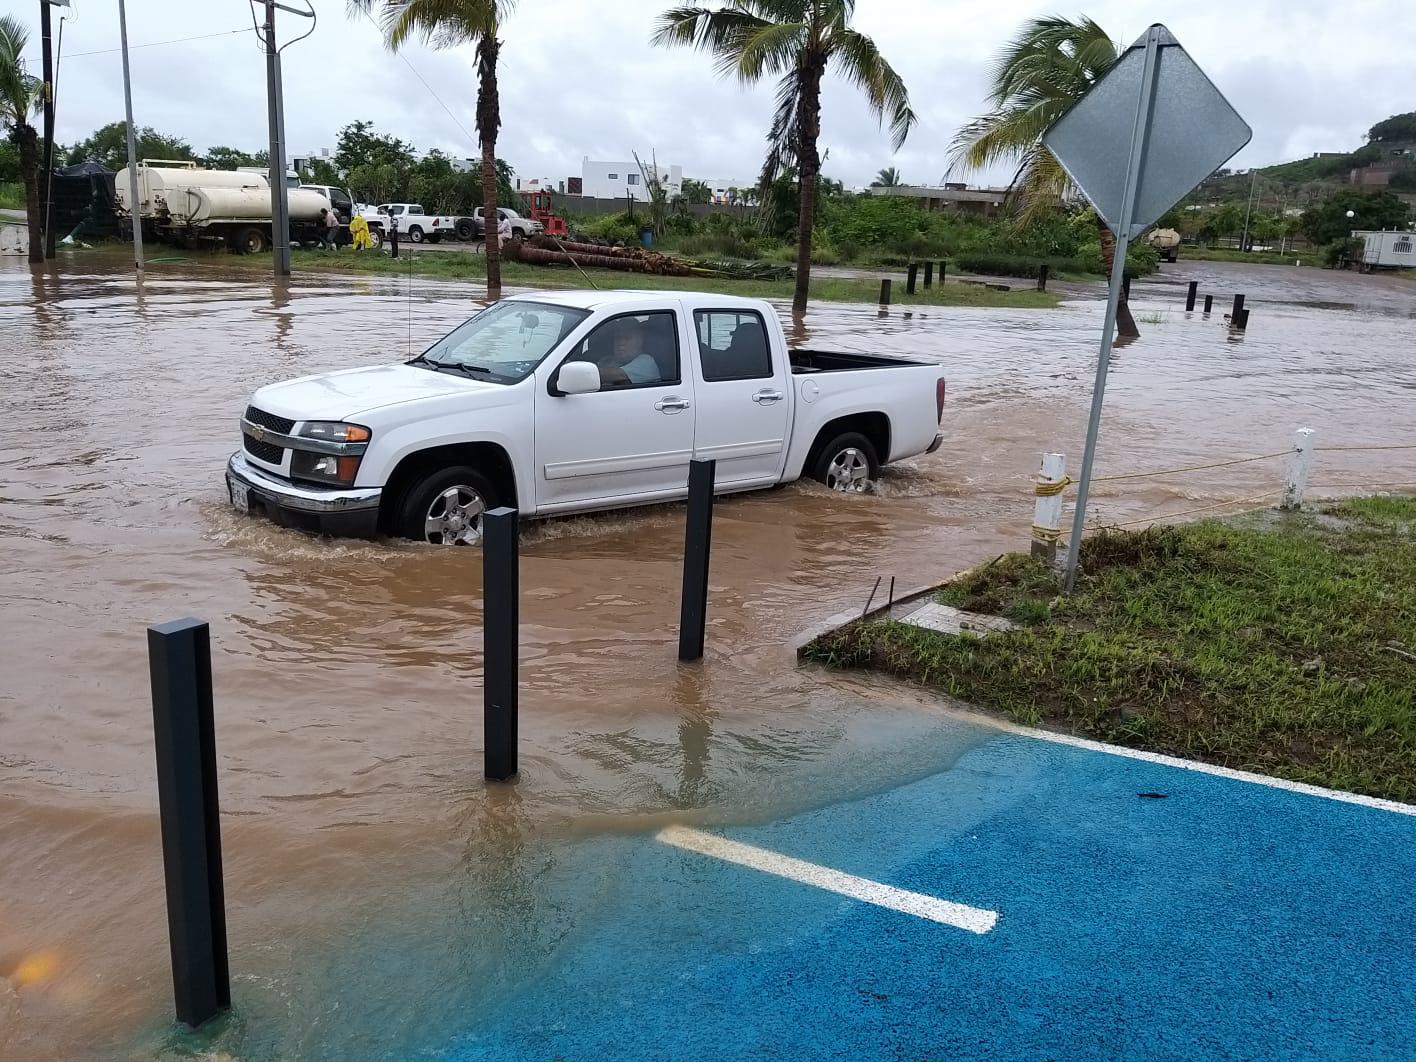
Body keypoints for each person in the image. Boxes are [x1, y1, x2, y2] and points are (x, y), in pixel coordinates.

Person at [596, 321, 661, 388]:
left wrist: (586, 374)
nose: (621, 343)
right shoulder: (606, 360)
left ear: (639, 341)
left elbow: (616, 375)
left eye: (627, 338)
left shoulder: (646, 362)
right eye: (618, 338)